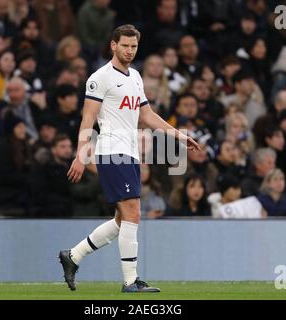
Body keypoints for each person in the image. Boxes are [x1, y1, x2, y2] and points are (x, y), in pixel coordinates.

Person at [59, 24, 201, 293]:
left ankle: (73, 256)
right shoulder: (99, 77)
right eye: (124, 45)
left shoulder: (135, 76)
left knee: (122, 220)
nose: (129, 50)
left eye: (133, 46)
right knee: (134, 212)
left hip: (131, 152)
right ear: (113, 45)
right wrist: (81, 155)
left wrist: (178, 136)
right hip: (112, 151)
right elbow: (88, 118)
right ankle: (130, 281)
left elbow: (146, 116)